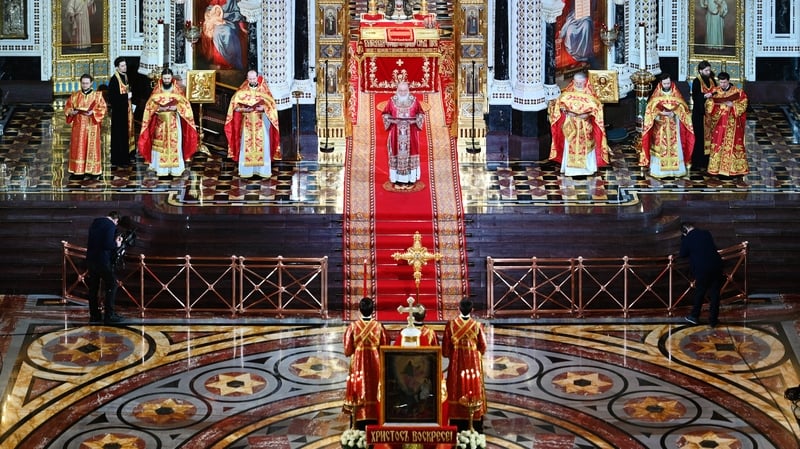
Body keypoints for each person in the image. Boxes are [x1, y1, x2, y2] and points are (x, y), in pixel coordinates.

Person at [138, 68, 199, 178]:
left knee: (175, 143)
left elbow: (185, 104)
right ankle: (160, 169)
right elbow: (149, 106)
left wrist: (176, 107)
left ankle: (175, 169)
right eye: (165, 78)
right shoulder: (157, 89)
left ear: (172, 78)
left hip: (173, 121)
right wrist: (158, 108)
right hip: (160, 122)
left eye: (168, 78)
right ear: (162, 78)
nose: (166, 80)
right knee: (161, 145)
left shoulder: (177, 89)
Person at [548, 72, 610, 177]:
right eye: (576, 82)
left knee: (586, 146)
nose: (578, 85)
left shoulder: (591, 94)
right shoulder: (568, 92)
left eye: (580, 83)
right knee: (570, 146)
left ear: (585, 82)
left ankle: (588, 169)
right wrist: (566, 112)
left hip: (585, 125)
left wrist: (587, 114)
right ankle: (569, 170)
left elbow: (597, 109)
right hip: (571, 125)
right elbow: (560, 106)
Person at [224, 70, 280, 179]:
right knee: (246, 146)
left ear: (257, 77)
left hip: (261, 122)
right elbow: (234, 107)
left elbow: (272, 105)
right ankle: (246, 171)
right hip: (247, 123)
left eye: (254, 78)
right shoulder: (242, 90)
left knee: (263, 145)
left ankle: (262, 171)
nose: (252, 80)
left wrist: (263, 108)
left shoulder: (264, 89)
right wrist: (244, 109)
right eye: (250, 79)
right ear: (247, 78)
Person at [343, 297, 388, 429]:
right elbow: (385, 347)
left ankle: (359, 416)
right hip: (375, 362)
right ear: (373, 310)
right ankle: (376, 415)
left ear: (360, 310)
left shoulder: (352, 327)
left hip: (358, 362)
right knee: (375, 387)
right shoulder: (379, 327)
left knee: (359, 388)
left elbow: (347, 350)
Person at [443, 298, 487, 432]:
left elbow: (445, 351)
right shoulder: (478, 326)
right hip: (473, 363)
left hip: (456, 364)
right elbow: (483, 347)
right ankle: (474, 419)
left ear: (459, 309)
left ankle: (455, 417)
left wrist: (455, 352)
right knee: (473, 387)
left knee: (455, 387)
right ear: (472, 310)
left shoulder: (451, 325)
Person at [640, 73, 695, 178]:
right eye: (664, 83)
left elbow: (684, 108)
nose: (667, 85)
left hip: (674, 125)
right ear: (661, 83)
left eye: (668, 83)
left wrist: (674, 112)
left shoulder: (676, 94)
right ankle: (660, 172)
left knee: (675, 148)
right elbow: (650, 111)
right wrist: (661, 113)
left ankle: (675, 171)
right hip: (660, 127)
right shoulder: (656, 95)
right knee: (661, 148)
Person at [705, 72, 749, 177]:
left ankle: (734, 169)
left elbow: (744, 104)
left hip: (733, 124)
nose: (722, 84)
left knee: (734, 145)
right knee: (718, 144)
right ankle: (716, 169)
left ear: (728, 81)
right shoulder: (715, 91)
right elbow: (708, 105)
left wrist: (733, 105)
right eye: (720, 82)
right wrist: (713, 102)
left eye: (724, 82)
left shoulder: (737, 91)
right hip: (719, 123)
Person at [382, 81, 425, 190]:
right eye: (400, 90)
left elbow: (421, 114)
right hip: (396, 134)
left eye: (405, 90)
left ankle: (411, 179)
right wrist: (392, 121)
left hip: (411, 133)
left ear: (408, 90)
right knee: (396, 154)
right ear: (397, 90)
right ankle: (397, 179)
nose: (402, 92)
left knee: (411, 153)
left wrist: (414, 121)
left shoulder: (414, 101)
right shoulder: (392, 101)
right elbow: (385, 114)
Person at [680, 223, 723, 327]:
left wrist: (684, 239)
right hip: (716, 265)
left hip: (702, 269)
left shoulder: (688, 238)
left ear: (685, 230)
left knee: (700, 292)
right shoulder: (706, 233)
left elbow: (682, 254)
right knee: (715, 293)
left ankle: (694, 316)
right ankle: (713, 320)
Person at [65, 73, 107, 180]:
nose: (84, 85)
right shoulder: (75, 95)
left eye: (87, 83)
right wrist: (71, 112)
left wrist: (94, 112)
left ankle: (92, 170)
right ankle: (78, 170)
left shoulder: (97, 96)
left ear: (91, 83)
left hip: (92, 125)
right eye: (83, 83)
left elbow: (103, 109)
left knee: (92, 147)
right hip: (78, 126)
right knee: (78, 146)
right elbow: (68, 107)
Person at [86, 211, 124, 324]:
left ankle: (94, 315)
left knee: (93, 288)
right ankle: (109, 315)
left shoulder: (95, 223)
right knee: (112, 284)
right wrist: (117, 244)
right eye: (116, 223)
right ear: (116, 219)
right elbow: (107, 244)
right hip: (102, 261)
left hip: (91, 259)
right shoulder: (110, 225)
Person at [200, 0, 247, 70]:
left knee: (227, 32)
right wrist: (212, 14)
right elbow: (209, 10)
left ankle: (231, 62)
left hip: (231, 23)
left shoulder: (232, 1)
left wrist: (225, 16)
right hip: (217, 23)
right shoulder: (215, 1)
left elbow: (238, 14)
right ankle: (220, 63)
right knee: (216, 32)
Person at [107, 57, 135, 168]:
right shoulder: (114, 80)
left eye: (125, 65)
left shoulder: (125, 76)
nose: (125, 67)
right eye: (122, 66)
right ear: (117, 67)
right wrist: (125, 96)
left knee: (127, 133)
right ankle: (119, 159)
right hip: (119, 113)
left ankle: (128, 155)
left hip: (127, 111)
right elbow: (112, 98)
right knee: (120, 135)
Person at [690, 61, 717, 171]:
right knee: (699, 138)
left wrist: (713, 94)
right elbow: (695, 97)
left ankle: (708, 161)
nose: (708, 72)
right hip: (700, 115)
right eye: (706, 70)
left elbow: (716, 91)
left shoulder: (712, 80)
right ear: (700, 71)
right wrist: (705, 96)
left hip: (711, 115)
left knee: (711, 138)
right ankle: (697, 162)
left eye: (709, 70)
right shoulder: (697, 81)